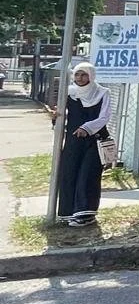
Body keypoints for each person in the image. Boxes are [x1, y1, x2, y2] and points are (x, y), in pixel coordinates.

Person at [49, 62, 115, 227]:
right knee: (70, 172)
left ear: (91, 76)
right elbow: (63, 114)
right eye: (77, 74)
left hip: (94, 140)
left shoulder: (102, 93)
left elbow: (104, 117)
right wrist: (56, 116)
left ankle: (85, 214)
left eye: (84, 75)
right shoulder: (70, 93)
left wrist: (87, 128)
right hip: (73, 140)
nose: (80, 78)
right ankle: (68, 212)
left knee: (88, 175)